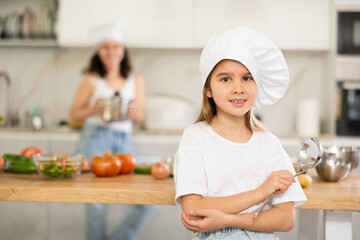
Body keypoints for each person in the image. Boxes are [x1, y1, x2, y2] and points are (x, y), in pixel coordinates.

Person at [174, 27, 307, 240]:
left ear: (258, 85)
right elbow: (193, 208)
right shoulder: (195, 137)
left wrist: (227, 219)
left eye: (247, 78)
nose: (238, 88)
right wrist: (261, 192)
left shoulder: (269, 143)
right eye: (225, 79)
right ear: (208, 89)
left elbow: (285, 218)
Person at [70, 20, 158, 240]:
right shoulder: (91, 80)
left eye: (115, 46)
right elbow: (73, 114)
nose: (111, 51)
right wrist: (94, 109)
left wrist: (132, 112)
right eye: (106, 47)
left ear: (122, 50)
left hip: (124, 140)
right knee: (95, 205)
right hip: (95, 139)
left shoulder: (136, 79)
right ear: (99, 51)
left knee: (148, 201)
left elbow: (140, 117)